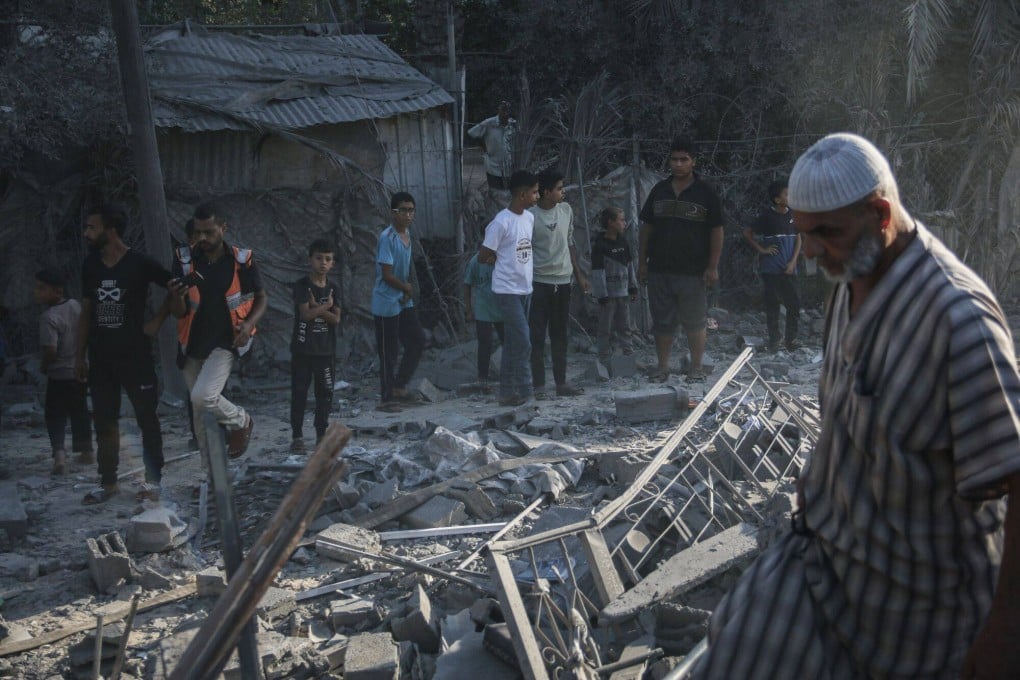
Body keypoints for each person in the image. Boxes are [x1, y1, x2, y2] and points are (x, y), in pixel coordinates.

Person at [690, 133, 1020, 680]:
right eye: (802, 232)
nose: (811, 249)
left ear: (880, 213)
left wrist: (1004, 639)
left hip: (919, 612)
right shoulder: (851, 278)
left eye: (826, 233)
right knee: (732, 652)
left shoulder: (958, 321)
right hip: (825, 566)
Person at [76, 203, 173, 504]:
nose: (86, 233)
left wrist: (156, 322)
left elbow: (175, 286)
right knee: (105, 420)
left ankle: (153, 482)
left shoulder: (140, 263)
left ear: (110, 230)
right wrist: (79, 355)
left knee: (147, 417)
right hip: (101, 358)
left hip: (136, 355)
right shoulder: (90, 265)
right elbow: (86, 312)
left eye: (91, 227)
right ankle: (108, 484)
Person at [168, 203, 265, 467]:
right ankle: (211, 474)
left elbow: (260, 298)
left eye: (209, 232)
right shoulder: (184, 259)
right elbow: (177, 311)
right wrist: (175, 295)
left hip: (227, 342)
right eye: (198, 232)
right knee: (200, 415)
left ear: (223, 228)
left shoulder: (241, 260)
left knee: (203, 396)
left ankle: (241, 420)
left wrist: (248, 326)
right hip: (191, 344)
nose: (202, 239)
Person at [637, 137, 724, 383]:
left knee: (694, 321)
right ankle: (662, 367)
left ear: (693, 162)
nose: (678, 164)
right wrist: (642, 262)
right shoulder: (659, 190)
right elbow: (646, 228)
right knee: (662, 322)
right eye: (674, 159)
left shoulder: (705, 193)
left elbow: (717, 230)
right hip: (660, 269)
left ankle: (695, 368)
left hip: (693, 271)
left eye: (683, 159)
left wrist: (712, 266)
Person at [479, 170, 539, 406]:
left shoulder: (529, 218)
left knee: (514, 341)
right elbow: (484, 255)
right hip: (506, 290)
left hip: (525, 288)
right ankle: (526, 392)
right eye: (534, 192)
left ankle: (505, 391)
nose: (537, 196)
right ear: (522, 194)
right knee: (524, 340)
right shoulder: (501, 222)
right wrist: (499, 261)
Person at [528, 169, 587, 398]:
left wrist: (579, 274)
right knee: (537, 334)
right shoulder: (530, 216)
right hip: (539, 282)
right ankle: (539, 385)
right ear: (545, 192)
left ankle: (561, 383)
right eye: (559, 188)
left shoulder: (566, 210)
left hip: (563, 281)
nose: (563, 192)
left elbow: (570, 242)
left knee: (560, 333)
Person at [371, 192, 426, 412]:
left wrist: (406, 291)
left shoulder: (407, 235)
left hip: (402, 299)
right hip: (386, 301)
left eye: (411, 210)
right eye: (403, 210)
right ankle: (386, 398)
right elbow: (387, 274)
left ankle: (399, 386)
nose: (407, 214)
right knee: (389, 351)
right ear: (393, 212)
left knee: (417, 340)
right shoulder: (388, 237)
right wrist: (406, 288)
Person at [34, 267, 92, 476]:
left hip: (58, 374)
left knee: (55, 415)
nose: (37, 293)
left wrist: (43, 366)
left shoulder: (48, 317)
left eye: (42, 289)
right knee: (80, 411)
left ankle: (59, 456)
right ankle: (86, 450)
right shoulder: (75, 306)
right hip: (79, 370)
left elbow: (50, 349)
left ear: (57, 291)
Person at [290, 239, 341, 452]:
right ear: (311, 259)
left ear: (333, 264)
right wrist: (324, 307)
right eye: (319, 258)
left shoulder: (334, 288)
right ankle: (297, 437)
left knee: (325, 393)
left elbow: (336, 319)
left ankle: (321, 435)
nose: (323, 263)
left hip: (325, 351)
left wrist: (318, 307)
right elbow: (306, 314)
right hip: (303, 349)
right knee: (299, 392)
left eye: (327, 259)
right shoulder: (302, 286)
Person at [742, 178, 802, 352]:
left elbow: (798, 238)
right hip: (772, 269)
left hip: (790, 269)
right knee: (773, 304)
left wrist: (793, 262)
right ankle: (775, 340)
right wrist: (762, 249)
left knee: (794, 304)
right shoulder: (767, 217)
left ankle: (792, 340)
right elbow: (747, 233)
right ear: (777, 199)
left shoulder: (793, 215)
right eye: (787, 194)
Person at [591, 206, 638, 365]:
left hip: (623, 293)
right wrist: (602, 295)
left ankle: (628, 356)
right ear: (611, 223)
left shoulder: (623, 242)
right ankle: (604, 359)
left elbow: (630, 266)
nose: (624, 223)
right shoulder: (600, 245)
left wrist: (632, 287)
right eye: (621, 220)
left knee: (625, 326)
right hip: (609, 296)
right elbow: (598, 272)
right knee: (605, 328)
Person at [463, 239, 504, 383]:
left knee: (508, 340)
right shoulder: (475, 261)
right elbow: (467, 284)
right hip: (483, 306)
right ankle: (482, 378)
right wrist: (468, 309)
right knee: (485, 342)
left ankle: (510, 373)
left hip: (501, 307)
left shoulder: (504, 260)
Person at [468, 101, 516, 190]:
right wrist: (484, 146)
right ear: (499, 111)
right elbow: (472, 133)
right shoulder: (489, 123)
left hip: (509, 166)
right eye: (503, 110)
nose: (505, 113)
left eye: (507, 110)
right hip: (493, 166)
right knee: (495, 193)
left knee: (509, 193)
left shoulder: (513, 125)